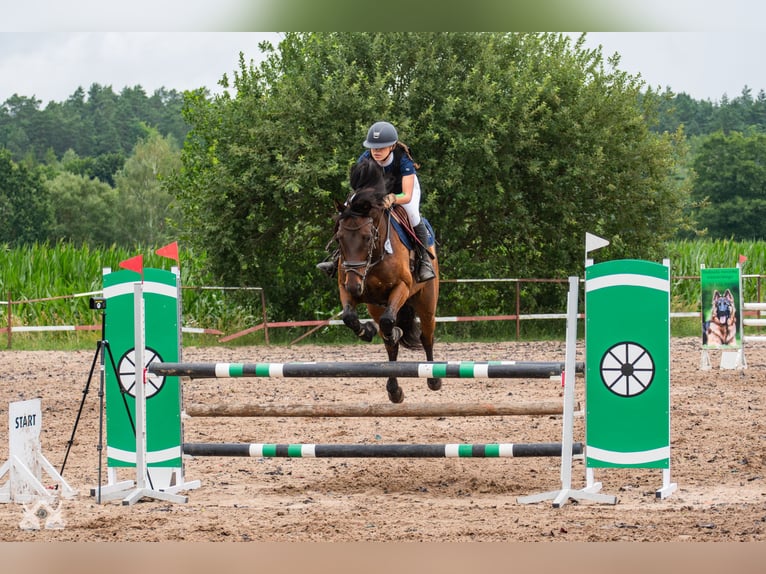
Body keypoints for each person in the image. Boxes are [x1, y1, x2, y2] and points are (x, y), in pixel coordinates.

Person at [317, 121, 436, 282]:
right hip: (377, 193)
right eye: (373, 147)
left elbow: (407, 195)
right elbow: (360, 188)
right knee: (346, 210)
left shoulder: (403, 160)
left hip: (402, 192)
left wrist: (393, 198)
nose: (376, 151)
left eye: (381, 148)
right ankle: (336, 258)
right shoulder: (365, 159)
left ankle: (424, 261)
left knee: (413, 215)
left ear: (392, 146)